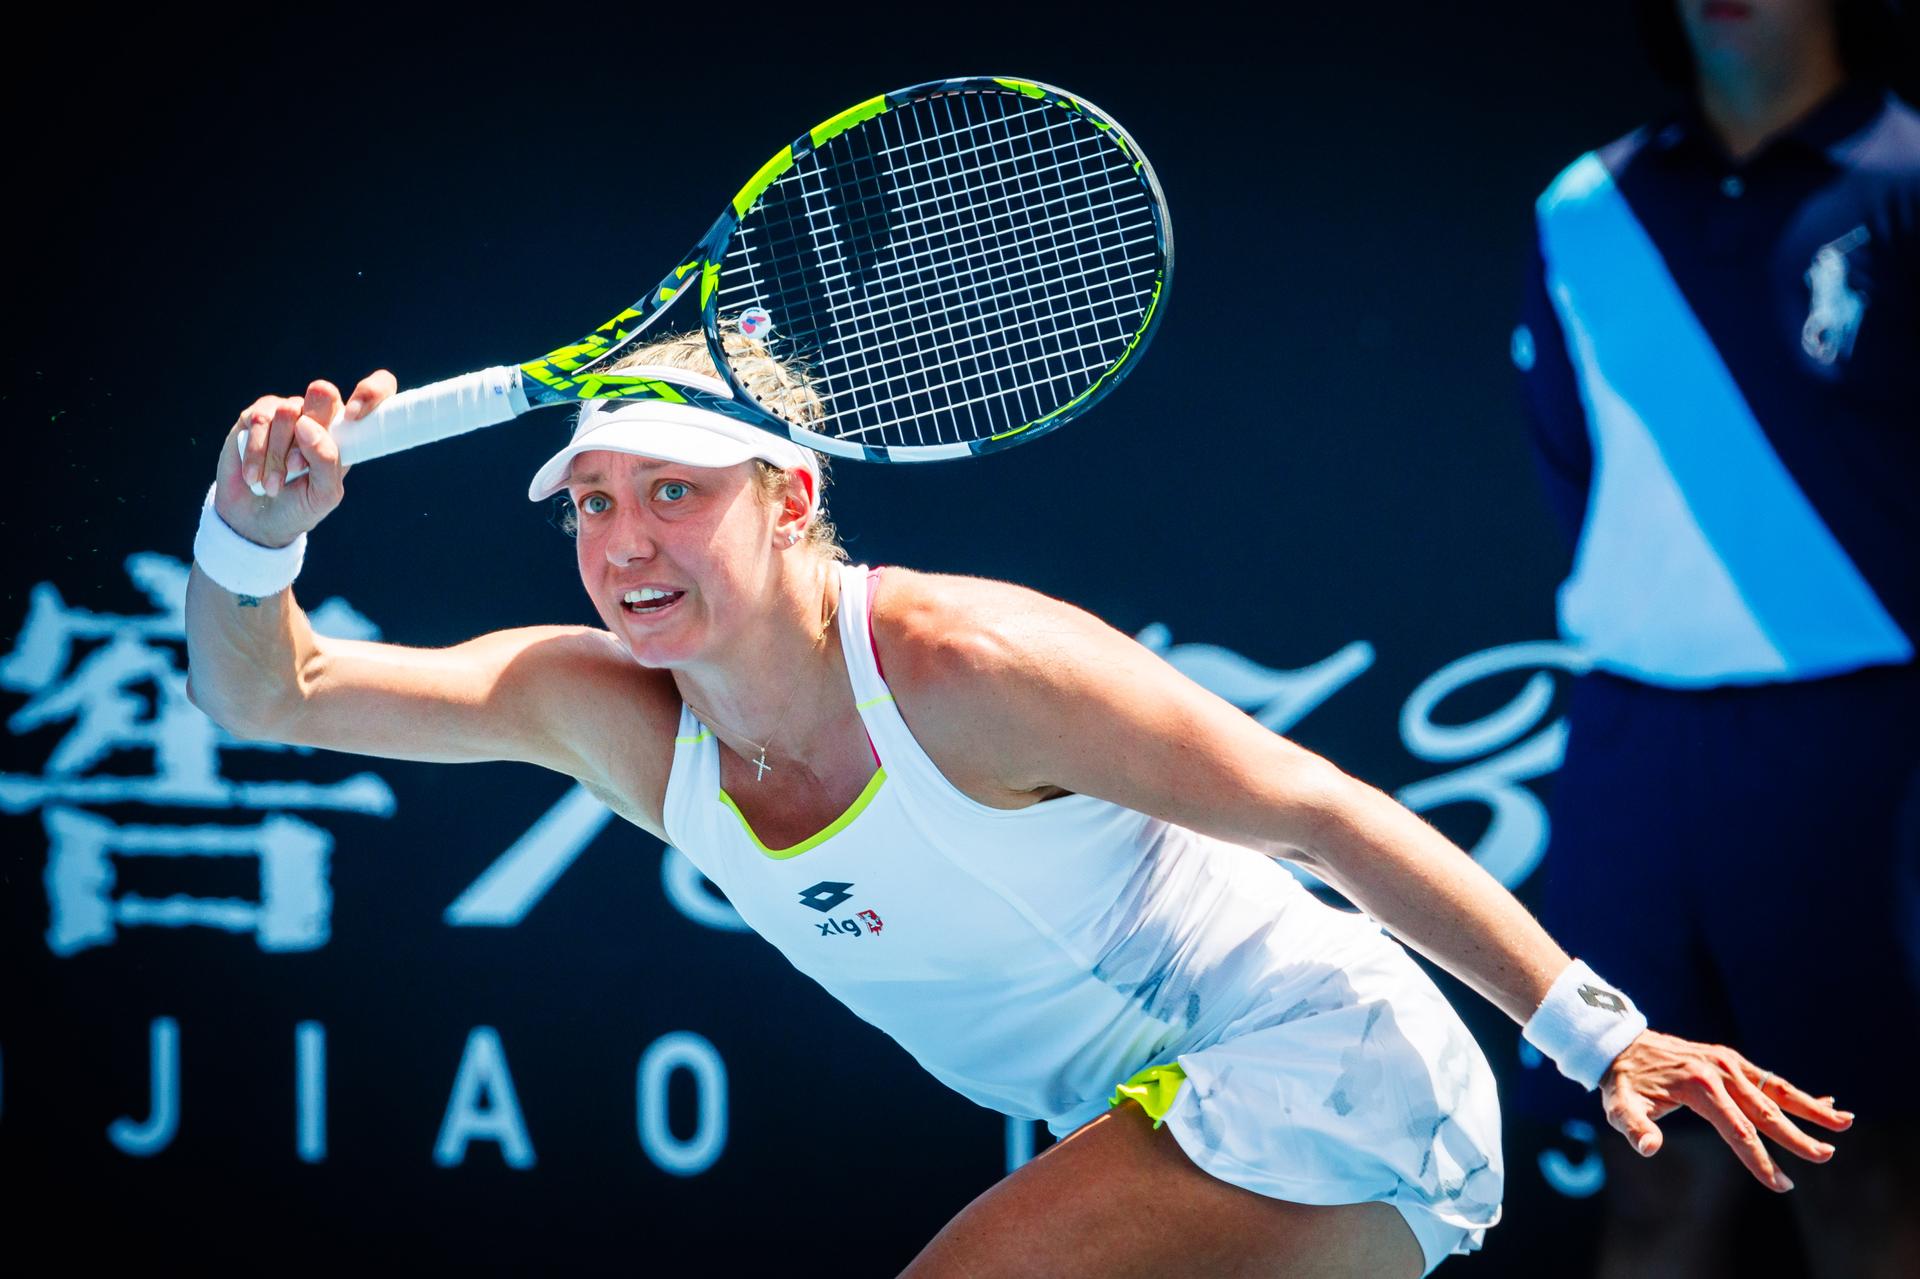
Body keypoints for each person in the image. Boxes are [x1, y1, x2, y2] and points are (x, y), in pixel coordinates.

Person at [185, 333, 1846, 1278]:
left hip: (1316, 1067)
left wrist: (1594, 1029)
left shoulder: (968, 662)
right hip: (1152, 1106)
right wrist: (253, 532)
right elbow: (275, 690)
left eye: (675, 494)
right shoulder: (601, 709)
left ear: (794, 495)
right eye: (597, 502)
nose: (625, 541)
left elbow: (1320, 809)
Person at [1512, 1, 1917, 1275]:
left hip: (1861, 750)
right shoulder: (1582, 203)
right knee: (1651, 1179)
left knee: (1863, 1184)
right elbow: (1570, 462)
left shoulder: (1907, 176)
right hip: (1634, 750)